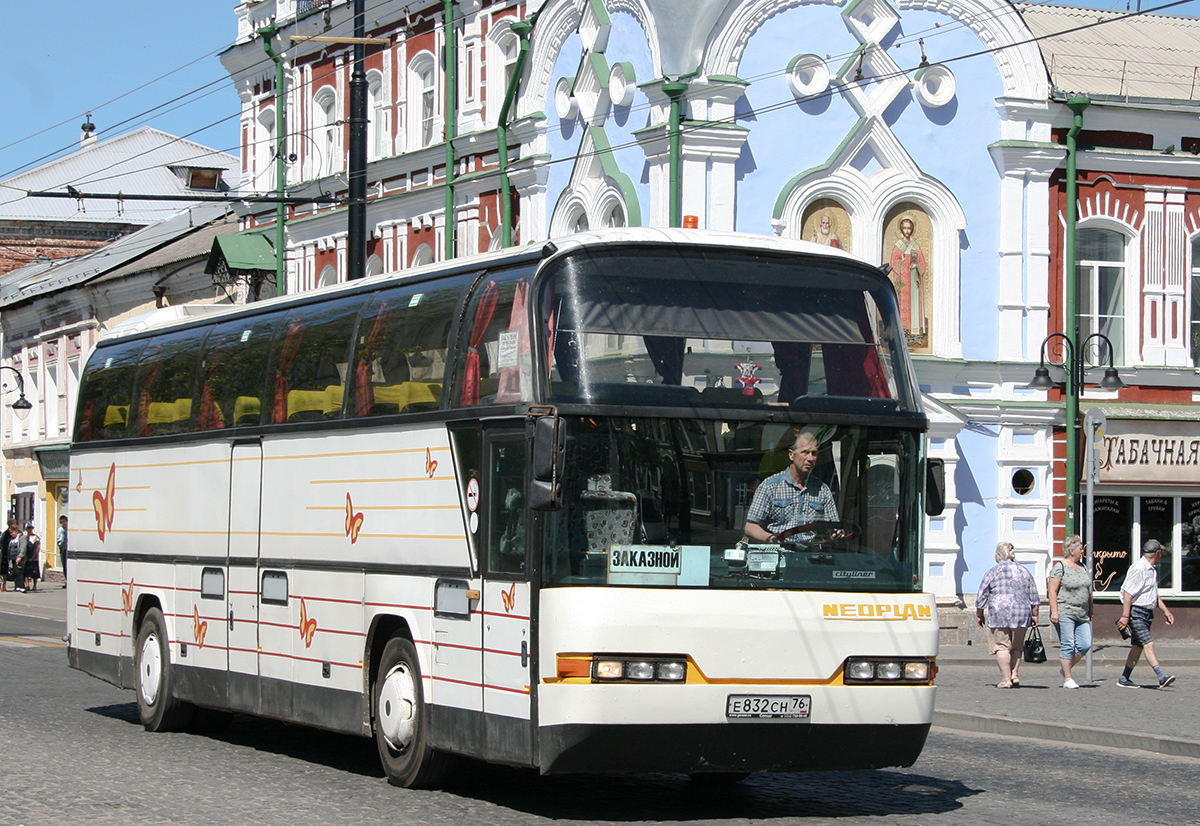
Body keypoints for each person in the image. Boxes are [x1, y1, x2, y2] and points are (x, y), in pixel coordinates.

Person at [744, 429, 839, 544]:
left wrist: (836, 532)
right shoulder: (770, 486)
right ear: (791, 455)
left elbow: (833, 526)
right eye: (805, 452)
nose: (810, 458)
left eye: (814, 453)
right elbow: (750, 527)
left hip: (809, 556)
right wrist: (772, 538)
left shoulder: (822, 490)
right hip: (778, 553)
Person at [976, 542, 1040, 688]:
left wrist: (979, 614)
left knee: (1002, 646)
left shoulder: (993, 572)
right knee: (1017, 646)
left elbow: (982, 595)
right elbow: (1034, 595)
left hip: (999, 613)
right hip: (1021, 612)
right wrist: (1035, 614)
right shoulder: (1024, 571)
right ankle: (1014, 674)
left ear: (999, 555)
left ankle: (1005, 679)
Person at [1115, 539, 1176, 688]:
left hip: (1147, 613)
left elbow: (1153, 594)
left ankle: (1124, 678)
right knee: (1148, 643)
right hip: (1136, 612)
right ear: (1157, 553)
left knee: (1138, 646)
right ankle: (1161, 677)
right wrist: (1125, 615)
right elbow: (1128, 594)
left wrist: (1165, 611)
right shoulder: (1139, 568)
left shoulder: (1151, 569)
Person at [1048, 534, 1092, 688]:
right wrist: (1054, 611)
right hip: (1065, 611)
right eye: (1080, 548)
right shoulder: (1060, 567)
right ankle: (1068, 678)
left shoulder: (1083, 567)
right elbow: (1052, 591)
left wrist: (1091, 608)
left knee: (1085, 644)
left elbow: (1088, 589)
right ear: (1071, 551)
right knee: (1068, 644)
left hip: (1082, 612)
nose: (1082, 551)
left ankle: (1065, 667)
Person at [889, 217, 926, 333]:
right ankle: (902, 329)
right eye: (904, 228)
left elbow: (922, 262)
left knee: (913, 305)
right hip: (903, 280)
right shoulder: (898, 245)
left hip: (913, 279)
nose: (907, 231)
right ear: (901, 229)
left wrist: (917, 265)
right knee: (902, 302)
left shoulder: (916, 245)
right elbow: (893, 261)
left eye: (909, 228)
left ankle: (914, 330)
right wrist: (902, 260)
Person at [18, 522, 41, 593]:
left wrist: (33, 557)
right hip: (26, 556)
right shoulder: (24, 536)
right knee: (26, 572)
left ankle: (35, 585)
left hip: (34, 557)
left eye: (31, 528)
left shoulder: (35, 537)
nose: (30, 530)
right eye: (28, 528)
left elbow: (37, 547)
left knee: (35, 572)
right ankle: (27, 585)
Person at [0, 518, 15, 592]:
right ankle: (3, 585)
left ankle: (16, 585)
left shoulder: (17, 533)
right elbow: (2, 543)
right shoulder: (5, 533)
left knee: (13, 571)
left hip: (12, 554)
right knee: (2, 571)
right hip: (4, 554)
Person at [56, 515, 68, 588]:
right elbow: (58, 538)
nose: (63, 523)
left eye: (64, 521)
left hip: (68, 549)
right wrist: (60, 544)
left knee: (68, 566)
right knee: (64, 566)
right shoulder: (60, 529)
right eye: (61, 522)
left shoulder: (69, 529)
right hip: (63, 549)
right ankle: (66, 580)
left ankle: (70, 581)